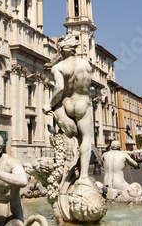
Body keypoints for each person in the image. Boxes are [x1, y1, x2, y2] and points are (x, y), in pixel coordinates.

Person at [42, 34, 93, 186]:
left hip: (66, 106)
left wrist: (49, 105)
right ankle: (83, 176)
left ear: (62, 51)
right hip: (82, 104)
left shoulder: (58, 67)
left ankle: (66, 171)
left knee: (67, 137)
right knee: (86, 140)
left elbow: (59, 89)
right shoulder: (86, 65)